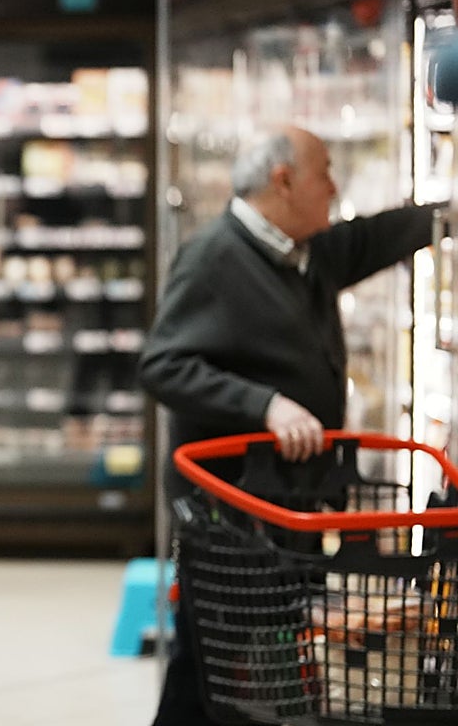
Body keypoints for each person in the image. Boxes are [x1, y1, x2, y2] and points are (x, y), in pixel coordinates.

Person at [139, 126, 442, 725]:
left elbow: (369, 239)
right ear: (283, 181)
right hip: (229, 513)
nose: (335, 187)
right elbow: (163, 366)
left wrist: (441, 216)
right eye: (324, 172)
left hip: (283, 505)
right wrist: (263, 406)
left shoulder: (306, 252)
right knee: (213, 667)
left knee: (226, 668)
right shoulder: (215, 258)